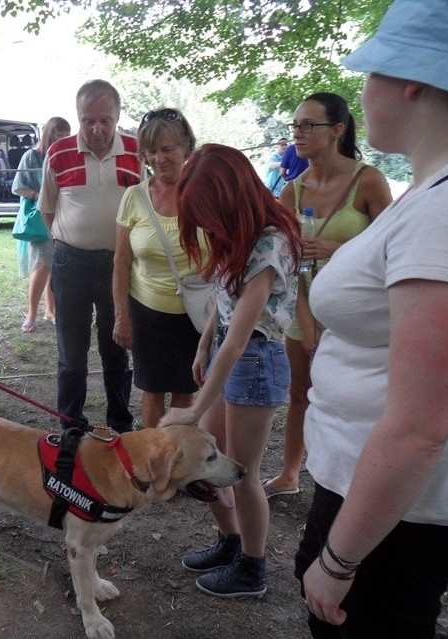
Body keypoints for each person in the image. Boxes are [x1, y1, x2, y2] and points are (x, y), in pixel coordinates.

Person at [293, 0, 448, 636]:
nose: (364, 90)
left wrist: (338, 557)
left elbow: (419, 428)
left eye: (371, 73)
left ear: (411, 80)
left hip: (403, 509)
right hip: (399, 499)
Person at [158, 144, 302, 597]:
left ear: (232, 196)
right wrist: (203, 344)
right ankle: (231, 542)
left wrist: (190, 407)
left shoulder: (270, 242)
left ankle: (252, 569)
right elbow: (225, 313)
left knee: (241, 471)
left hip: (257, 361)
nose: (202, 223)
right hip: (227, 350)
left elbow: (242, 337)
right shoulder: (239, 233)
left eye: (207, 211)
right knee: (208, 462)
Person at [261, 93, 392, 499]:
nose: (298, 134)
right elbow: (287, 263)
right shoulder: (292, 191)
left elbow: (394, 247)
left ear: (337, 130)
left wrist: (337, 251)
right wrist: (305, 317)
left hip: (357, 315)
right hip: (305, 308)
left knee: (356, 399)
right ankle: (290, 474)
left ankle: (358, 478)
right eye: (295, 125)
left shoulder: (367, 180)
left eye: (308, 125)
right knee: (301, 392)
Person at [38, 79, 143, 433]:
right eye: (88, 120)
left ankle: (120, 423)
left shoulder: (136, 151)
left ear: (117, 116)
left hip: (119, 265)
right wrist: (70, 238)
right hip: (72, 264)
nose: (96, 129)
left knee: (118, 349)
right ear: (78, 117)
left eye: (105, 120)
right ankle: (71, 425)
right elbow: (48, 208)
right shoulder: (59, 152)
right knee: (72, 354)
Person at [112, 108, 204, 428]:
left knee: (185, 391)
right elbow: (121, 263)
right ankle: (152, 461)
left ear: (186, 148)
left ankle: (177, 465)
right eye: (151, 151)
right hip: (147, 311)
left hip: (195, 313)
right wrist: (122, 316)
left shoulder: (206, 193)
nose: (159, 158)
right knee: (151, 392)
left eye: (168, 149)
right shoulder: (134, 197)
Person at [11, 116, 70, 332]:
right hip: (40, 218)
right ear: (48, 134)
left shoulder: (64, 156)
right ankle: (32, 313)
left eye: (65, 134)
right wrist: (40, 196)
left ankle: (50, 311)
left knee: (56, 266)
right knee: (42, 265)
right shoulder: (32, 156)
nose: (61, 138)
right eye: (57, 133)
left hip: (62, 217)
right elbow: (18, 187)